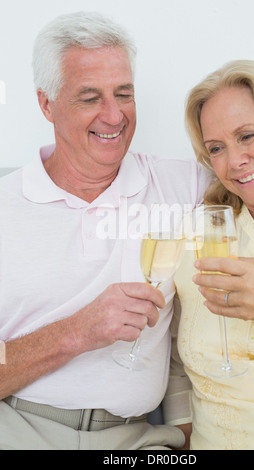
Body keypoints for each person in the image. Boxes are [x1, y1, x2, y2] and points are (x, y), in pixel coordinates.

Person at [0, 11, 208, 450]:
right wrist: (75, 332)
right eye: (90, 97)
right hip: (16, 428)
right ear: (46, 104)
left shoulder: (184, 184)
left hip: (137, 440)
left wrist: (186, 430)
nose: (114, 116)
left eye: (124, 93)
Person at [174, 59, 254, 450]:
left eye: (247, 136)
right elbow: (176, 364)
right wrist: (178, 441)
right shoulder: (198, 236)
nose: (234, 161)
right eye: (216, 148)